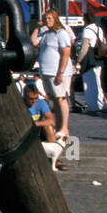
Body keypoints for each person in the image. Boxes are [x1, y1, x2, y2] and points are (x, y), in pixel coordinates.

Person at [30, 8, 72, 140]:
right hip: (47, 71)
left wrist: (61, 72)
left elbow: (66, 53)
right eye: (45, 18)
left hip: (57, 71)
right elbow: (34, 42)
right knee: (54, 99)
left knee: (61, 99)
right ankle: (59, 126)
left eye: (49, 18)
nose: (47, 21)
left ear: (55, 19)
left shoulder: (61, 33)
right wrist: (37, 28)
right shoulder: (47, 33)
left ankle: (64, 127)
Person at [23, 84, 71, 171]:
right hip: (24, 130)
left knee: (48, 127)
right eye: (31, 99)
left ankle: (53, 159)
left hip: (37, 129)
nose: (34, 101)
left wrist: (35, 124)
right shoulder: (20, 103)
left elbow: (51, 120)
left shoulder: (41, 103)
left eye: (36, 98)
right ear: (25, 96)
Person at [74, 12, 107, 114]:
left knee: (89, 83)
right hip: (99, 58)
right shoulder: (99, 29)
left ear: (86, 20)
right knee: (98, 82)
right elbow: (104, 41)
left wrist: (78, 60)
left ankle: (93, 107)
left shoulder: (87, 30)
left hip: (90, 58)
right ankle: (102, 105)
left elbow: (84, 48)